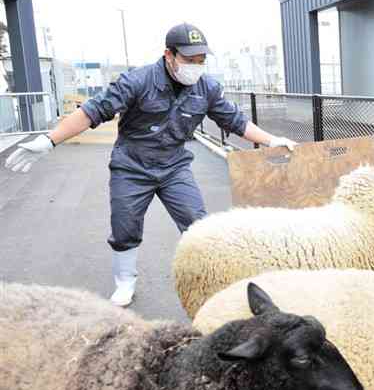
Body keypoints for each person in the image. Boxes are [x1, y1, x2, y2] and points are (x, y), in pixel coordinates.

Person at [4, 23, 298, 307]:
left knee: (198, 223)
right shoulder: (138, 81)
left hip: (174, 167)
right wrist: (49, 140)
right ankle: (125, 281)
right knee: (125, 227)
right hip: (131, 167)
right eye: (189, 59)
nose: (196, 65)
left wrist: (272, 140)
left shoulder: (205, 87)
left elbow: (235, 120)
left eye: (201, 59)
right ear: (169, 55)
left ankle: (212, 280)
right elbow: (93, 111)